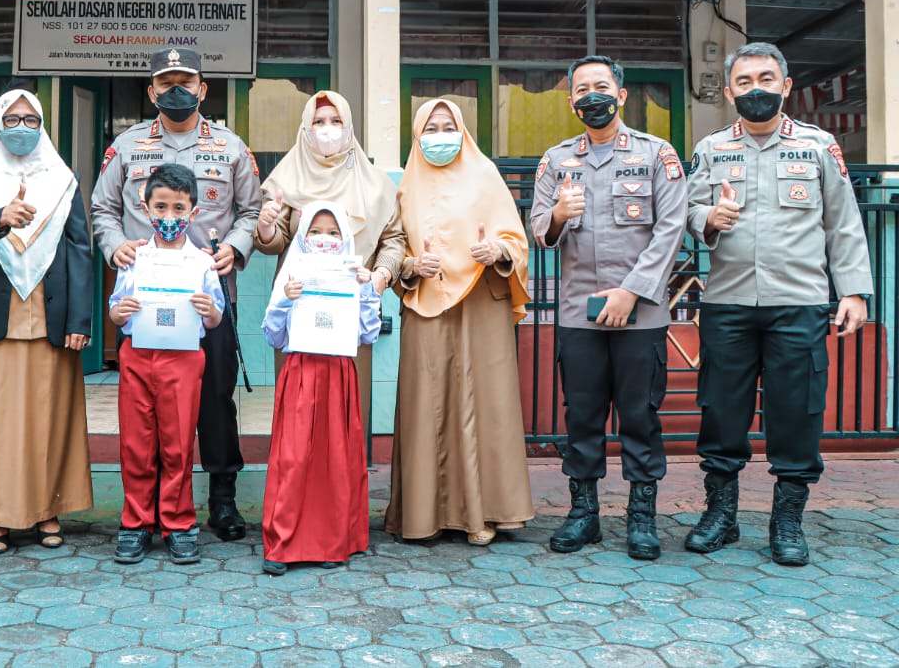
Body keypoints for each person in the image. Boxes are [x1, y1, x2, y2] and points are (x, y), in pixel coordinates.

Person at [684, 41, 872, 566]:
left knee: (796, 412)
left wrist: (853, 290)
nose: (756, 90)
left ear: (786, 86)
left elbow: (843, 220)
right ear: (728, 92)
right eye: (744, 82)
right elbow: (687, 209)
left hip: (800, 303)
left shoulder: (817, 146)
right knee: (721, 412)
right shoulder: (713, 148)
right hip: (728, 303)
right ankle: (720, 515)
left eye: (766, 79)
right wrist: (706, 221)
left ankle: (787, 520)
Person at [92, 47, 261, 541]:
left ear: (203, 89)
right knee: (147, 407)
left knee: (213, 399)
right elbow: (102, 208)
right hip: (145, 302)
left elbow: (252, 210)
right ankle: (148, 509)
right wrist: (115, 244)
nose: (176, 91)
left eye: (186, 81)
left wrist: (235, 247)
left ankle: (223, 500)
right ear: (151, 92)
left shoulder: (230, 148)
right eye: (166, 84)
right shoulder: (126, 147)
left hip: (206, 301)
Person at [529, 55, 688, 560]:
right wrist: (556, 215)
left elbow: (672, 228)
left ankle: (642, 517)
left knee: (640, 415)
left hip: (640, 313)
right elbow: (541, 231)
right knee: (583, 415)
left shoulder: (655, 153)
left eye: (601, 86)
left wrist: (631, 291)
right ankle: (584, 515)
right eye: (581, 89)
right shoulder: (557, 161)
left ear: (621, 95)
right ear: (572, 100)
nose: (591, 96)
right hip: (579, 314)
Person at [0, 88, 94, 553]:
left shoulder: (63, 179)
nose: (23, 127)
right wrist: (0, 217)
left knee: (51, 419)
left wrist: (81, 319)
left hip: (50, 319)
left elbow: (80, 251)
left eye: (32, 120)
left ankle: (48, 510)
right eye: (13, 119)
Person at [385, 99, 535, 545]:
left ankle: (488, 512)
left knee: (485, 403)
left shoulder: (486, 174)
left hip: (480, 302)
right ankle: (422, 516)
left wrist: (501, 253)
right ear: (417, 134)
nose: (440, 134)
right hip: (426, 301)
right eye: (431, 127)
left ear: (463, 130)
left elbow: (515, 239)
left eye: (449, 126)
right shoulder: (404, 185)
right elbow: (392, 246)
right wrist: (412, 266)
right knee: (424, 403)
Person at [252, 90, 404, 430]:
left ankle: (345, 481)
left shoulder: (376, 185)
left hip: (352, 307)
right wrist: (264, 227)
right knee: (299, 409)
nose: (327, 129)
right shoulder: (288, 178)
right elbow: (275, 242)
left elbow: (393, 240)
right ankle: (296, 481)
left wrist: (379, 279)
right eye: (318, 122)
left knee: (348, 407)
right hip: (297, 307)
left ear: (349, 128)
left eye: (336, 121)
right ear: (305, 129)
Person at [108, 164, 226, 565]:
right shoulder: (133, 258)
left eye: (179, 208)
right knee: (136, 444)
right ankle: (136, 523)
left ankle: (178, 522)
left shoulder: (203, 263)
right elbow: (115, 311)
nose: (170, 217)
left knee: (176, 445)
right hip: (138, 357)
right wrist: (118, 313)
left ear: (193, 213)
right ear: (146, 208)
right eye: (161, 207)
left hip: (183, 361)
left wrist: (210, 311)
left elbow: (215, 318)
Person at [260, 200, 381, 576]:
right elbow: (272, 335)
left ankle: (333, 540)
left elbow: (368, 333)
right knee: (294, 457)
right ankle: (283, 541)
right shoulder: (292, 271)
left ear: (345, 237)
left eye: (333, 233)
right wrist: (285, 299)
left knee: (335, 457)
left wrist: (368, 290)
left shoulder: (354, 274)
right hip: (301, 372)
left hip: (339, 375)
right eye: (315, 231)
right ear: (302, 235)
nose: (324, 239)